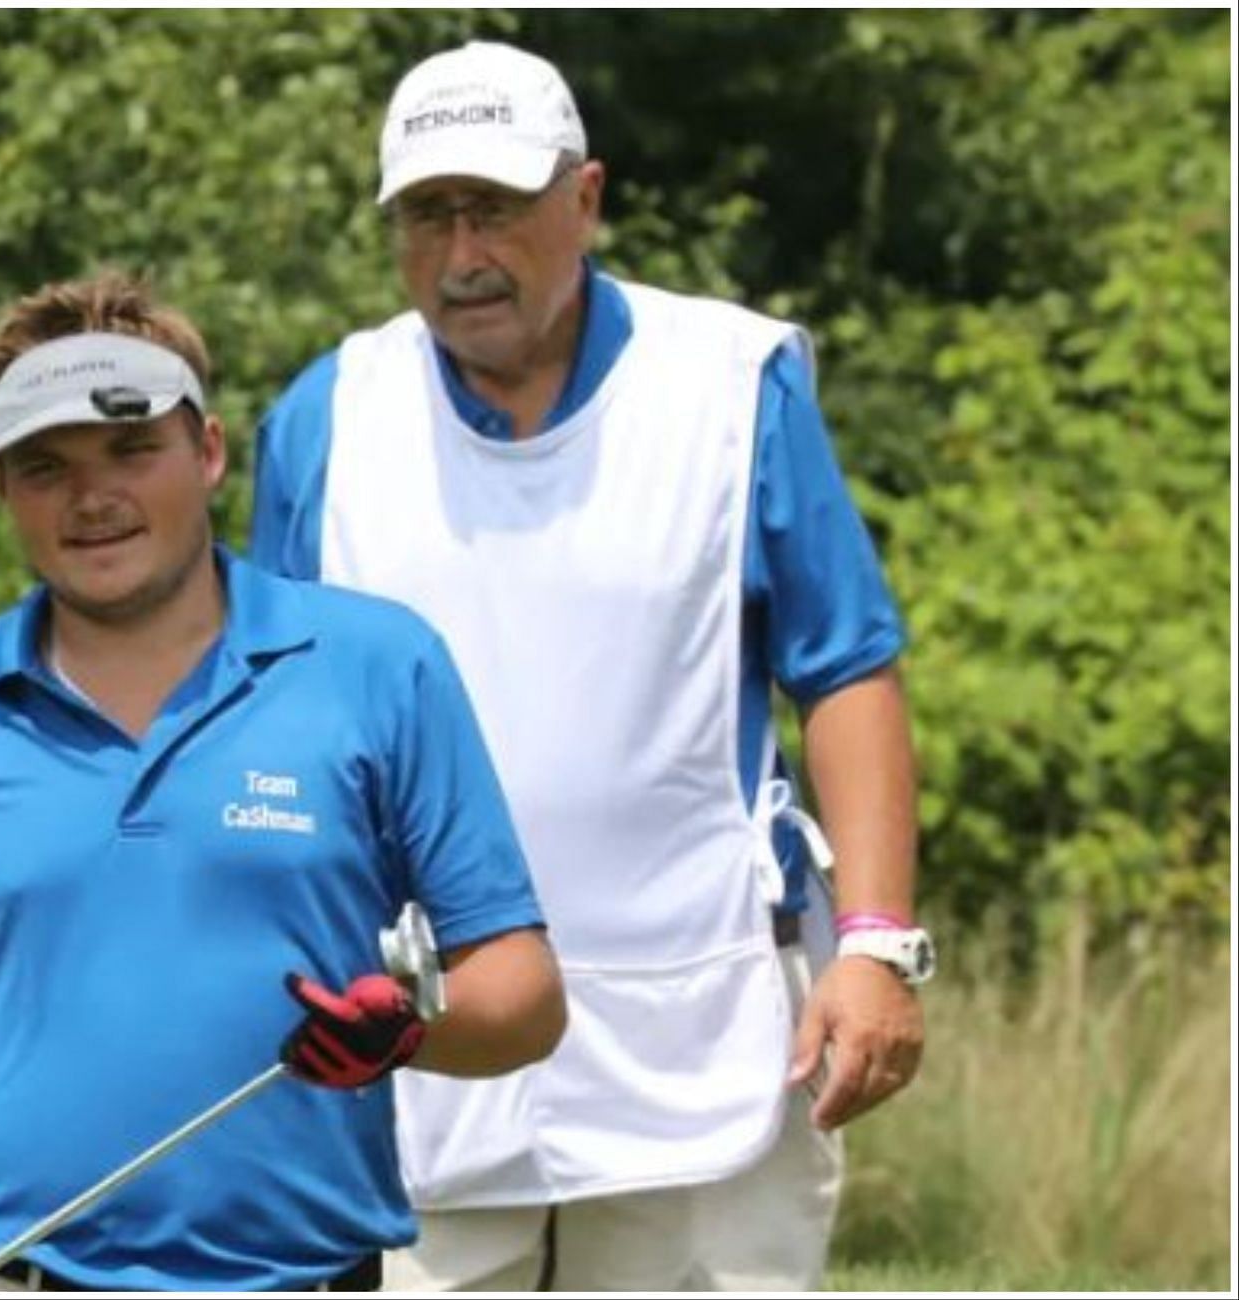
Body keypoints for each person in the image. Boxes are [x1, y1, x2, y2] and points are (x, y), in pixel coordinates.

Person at [0, 271, 567, 1293]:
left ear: (210, 452)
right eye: (45, 465)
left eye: (132, 448)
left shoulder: (378, 667)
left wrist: (408, 1029)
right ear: (1, 488)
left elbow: (526, 996)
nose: (93, 497)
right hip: (2, 1273)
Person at [251, 40, 930, 1293]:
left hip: (710, 1018)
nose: (462, 256)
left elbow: (846, 669)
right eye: (427, 216)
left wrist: (879, 945)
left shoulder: (732, 385)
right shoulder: (329, 413)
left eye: (496, 209)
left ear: (587, 198)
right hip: (426, 1035)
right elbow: (272, 722)